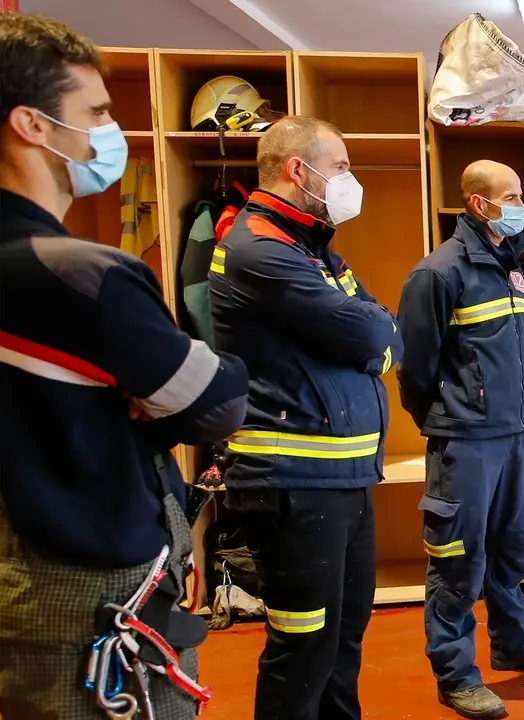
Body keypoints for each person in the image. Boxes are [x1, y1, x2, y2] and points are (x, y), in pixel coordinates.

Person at [0, 14, 249, 719]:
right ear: (35, 125)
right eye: (99, 113)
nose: (114, 132)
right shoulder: (78, 273)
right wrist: (161, 390)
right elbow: (217, 403)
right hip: (91, 601)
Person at [208, 116, 403, 720]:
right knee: (304, 648)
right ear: (299, 169)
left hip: (344, 482)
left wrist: (372, 337)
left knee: (344, 639)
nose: (350, 179)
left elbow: (379, 331)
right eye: (341, 166)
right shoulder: (258, 249)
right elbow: (371, 329)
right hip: (292, 485)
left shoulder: (313, 247)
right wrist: (371, 337)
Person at [397, 160, 524, 720]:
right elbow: (415, 369)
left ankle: (514, 642)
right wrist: (451, 417)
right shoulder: (439, 273)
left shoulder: (511, 268)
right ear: (479, 203)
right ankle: (456, 675)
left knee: (512, 548)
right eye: (514, 195)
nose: (523, 204)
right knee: (457, 560)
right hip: (465, 442)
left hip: (516, 435)